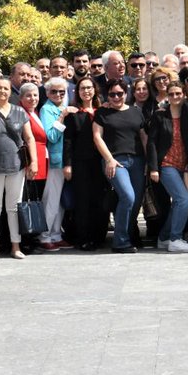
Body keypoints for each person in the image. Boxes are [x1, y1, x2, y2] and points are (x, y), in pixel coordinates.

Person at [92, 81, 147, 253]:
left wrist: (149, 163)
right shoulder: (102, 112)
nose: (116, 97)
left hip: (138, 161)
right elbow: (97, 136)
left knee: (136, 202)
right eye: (112, 94)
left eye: (119, 93)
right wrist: (108, 159)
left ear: (126, 93)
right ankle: (120, 241)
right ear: (106, 96)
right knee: (128, 197)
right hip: (116, 161)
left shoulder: (136, 112)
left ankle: (128, 237)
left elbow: (144, 138)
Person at [146, 82, 188, 252]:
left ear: (184, 94)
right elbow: (152, 142)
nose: (175, 97)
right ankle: (175, 239)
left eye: (178, 93)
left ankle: (164, 237)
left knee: (179, 202)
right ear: (167, 96)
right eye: (171, 94)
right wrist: (153, 168)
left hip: (184, 165)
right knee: (183, 199)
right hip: (166, 164)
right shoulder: (160, 115)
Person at [0, 77, 32, 259]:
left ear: (10, 92)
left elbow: (29, 138)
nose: (2, 91)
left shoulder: (20, 112)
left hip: (17, 165)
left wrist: (33, 162)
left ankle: (15, 246)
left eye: (5, 88)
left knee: (13, 207)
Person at [64, 77, 105, 251]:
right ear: (77, 92)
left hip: (100, 162)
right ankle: (83, 238)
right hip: (80, 163)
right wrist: (68, 164)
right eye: (82, 88)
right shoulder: (74, 114)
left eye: (89, 88)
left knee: (99, 200)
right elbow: (68, 141)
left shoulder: (102, 112)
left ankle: (99, 237)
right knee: (82, 201)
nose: (86, 91)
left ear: (95, 90)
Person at [18, 83, 51, 250]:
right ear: (21, 98)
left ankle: (34, 234)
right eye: (28, 96)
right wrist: (32, 161)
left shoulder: (36, 112)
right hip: (32, 161)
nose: (33, 99)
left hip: (42, 160)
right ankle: (26, 238)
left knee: (35, 198)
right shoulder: (22, 113)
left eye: (35, 95)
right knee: (27, 199)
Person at [40, 77, 70, 250]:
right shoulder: (47, 109)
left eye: (62, 91)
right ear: (47, 93)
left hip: (64, 160)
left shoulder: (62, 108)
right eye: (54, 91)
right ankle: (44, 236)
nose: (58, 94)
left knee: (59, 201)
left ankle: (56, 233)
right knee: (51, 199)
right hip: (54, 160)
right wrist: (62, 117)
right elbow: (50, 136)